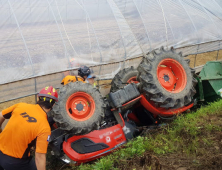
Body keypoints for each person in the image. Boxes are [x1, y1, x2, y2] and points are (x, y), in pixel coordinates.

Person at [0, 86, 58, 170]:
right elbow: (39, 157)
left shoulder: (20, 106)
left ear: (38, 97)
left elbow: (1, 115)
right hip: (15, 162)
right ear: (54, 104)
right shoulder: (44, 128)